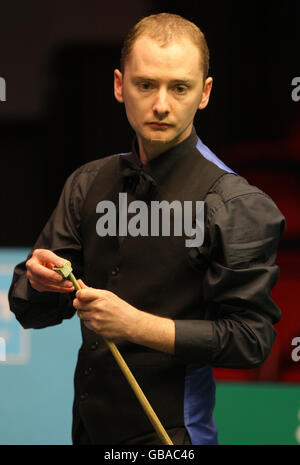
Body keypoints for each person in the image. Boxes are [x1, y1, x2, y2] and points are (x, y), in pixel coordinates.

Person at [9, 13, 286, 445]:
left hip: (174, 439)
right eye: (145, 85)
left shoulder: (237, 205)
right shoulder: (87, 183)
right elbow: (29, 307)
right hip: (87, 433)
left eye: (179, 87)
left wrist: (136, 325)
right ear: (120, 86)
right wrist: (40, 281)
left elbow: (252, 340)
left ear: (205, 93)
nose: (161, 104)